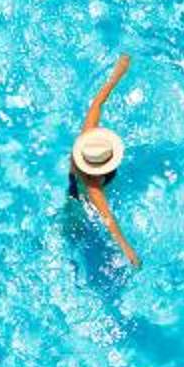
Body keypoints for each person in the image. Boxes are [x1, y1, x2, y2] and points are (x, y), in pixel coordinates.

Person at [65, 53, 139, 269]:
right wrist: (128, 250)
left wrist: (117, 74)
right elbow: (108, 220)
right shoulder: (93, 188)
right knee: (77, 227)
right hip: (77, 192)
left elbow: (97, 103)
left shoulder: (87, 136)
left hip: (76, 176)